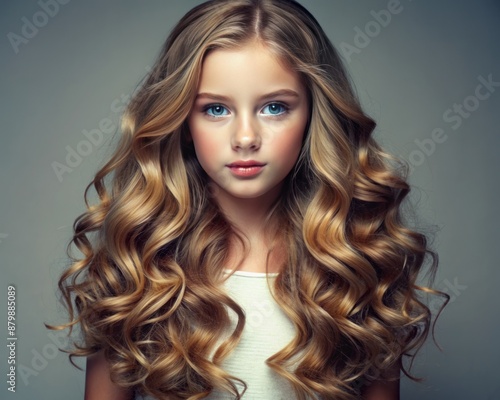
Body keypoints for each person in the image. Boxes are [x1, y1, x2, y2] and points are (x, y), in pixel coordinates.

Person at [47, 0, 447, 399]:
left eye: (275, 107)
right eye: (216, 109)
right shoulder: (136, 264)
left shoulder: (360, 263)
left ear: (313, 115)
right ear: (183, 121)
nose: (245, 138)